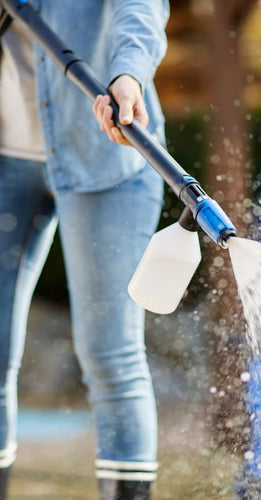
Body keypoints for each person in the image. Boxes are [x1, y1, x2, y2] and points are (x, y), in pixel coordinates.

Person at [0, 1, 169, 499]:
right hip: (6, 160)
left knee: (109, 355)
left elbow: (138, 7)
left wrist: (129, 75)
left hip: (106, 157)